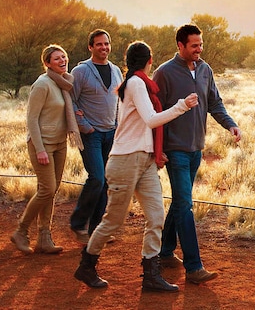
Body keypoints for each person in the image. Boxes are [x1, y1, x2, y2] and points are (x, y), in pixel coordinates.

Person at [74, 41, 199, 291]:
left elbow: (145, 125)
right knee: (113, 221)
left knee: (156, 216)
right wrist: (182, 106)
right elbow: (151, 120)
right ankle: (86, 265)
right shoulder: (136, 83)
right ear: (149, 61)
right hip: (125, 160)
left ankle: (151, 274)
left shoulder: (138, 83)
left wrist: (156, 151)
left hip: (144, 159)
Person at [155, 23, 241, 284]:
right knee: (185, 205)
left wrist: (230, 124)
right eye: (194, 45)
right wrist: (157, 151)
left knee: (181, 202)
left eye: (200, 44)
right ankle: (194, 267)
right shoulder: (164, 73)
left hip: (196, 148)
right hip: (175, 150)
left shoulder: (205, 70)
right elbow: (154, 115)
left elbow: (214, 102)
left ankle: (165, 251)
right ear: (180, 46)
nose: (199, 49)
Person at [11, 44, 83, 255]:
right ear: (47, 63)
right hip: (42, 145)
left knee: (51, 191)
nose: (63, 61)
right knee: (47, 189)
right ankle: (21, 231)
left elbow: (58, 109)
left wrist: (72, 117)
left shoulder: (62, 83)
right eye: (57, 58)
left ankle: (44, 237)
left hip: (60, 144)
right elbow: (31, 119)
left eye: (64, 57)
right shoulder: (42, 84)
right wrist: (40, 149)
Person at [69, 29, 123, 243]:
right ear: (90, 47)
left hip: (111, 133)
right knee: (97, 178)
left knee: (106, 182)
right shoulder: (81, 71)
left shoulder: (117, 70)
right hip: (91, 135)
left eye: (106, 44)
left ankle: (97, 230)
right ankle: (78, 223)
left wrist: (118, 126)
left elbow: (119, 101)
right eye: (99, 44)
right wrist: (84, 125)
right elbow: (70, 100)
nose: (104, 48)